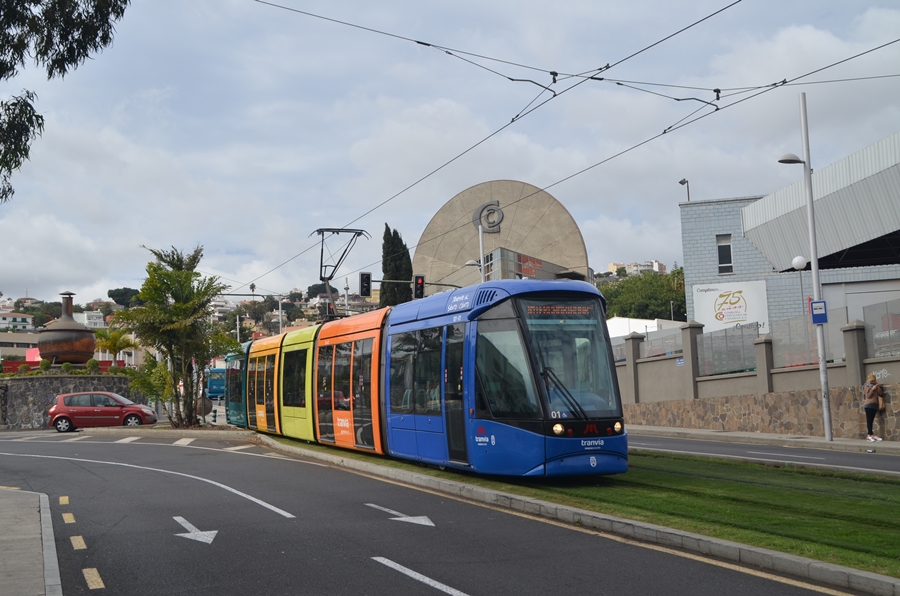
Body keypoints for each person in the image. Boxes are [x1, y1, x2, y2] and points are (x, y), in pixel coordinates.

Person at [863, 373, 883, 442]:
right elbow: (868, 396)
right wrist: (873, 389)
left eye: (874, 381)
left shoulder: (875, 386)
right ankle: (869, 435)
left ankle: (872, 434)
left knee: (872, 420)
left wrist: (878, 386)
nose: (873, 382)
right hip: (868, 405)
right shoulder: (867, 386)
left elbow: (880, 393)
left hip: (875, 404)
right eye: (872, 381)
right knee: (869, 420)